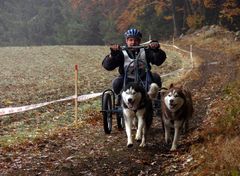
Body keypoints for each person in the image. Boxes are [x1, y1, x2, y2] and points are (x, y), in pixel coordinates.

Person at [102, 28, 166, 96]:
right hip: (126, 79)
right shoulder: (121, 53)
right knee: (116, 82)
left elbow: (158, 61)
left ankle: (156, 99)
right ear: (126, 41)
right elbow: (108, 66)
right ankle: (120, 99)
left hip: (145, 77)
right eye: (131, 40)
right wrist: (112, 55)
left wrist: (156, 50)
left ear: (140, 41)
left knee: (156, 77)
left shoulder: (146, 51)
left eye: (136, 40)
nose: (133, 42)